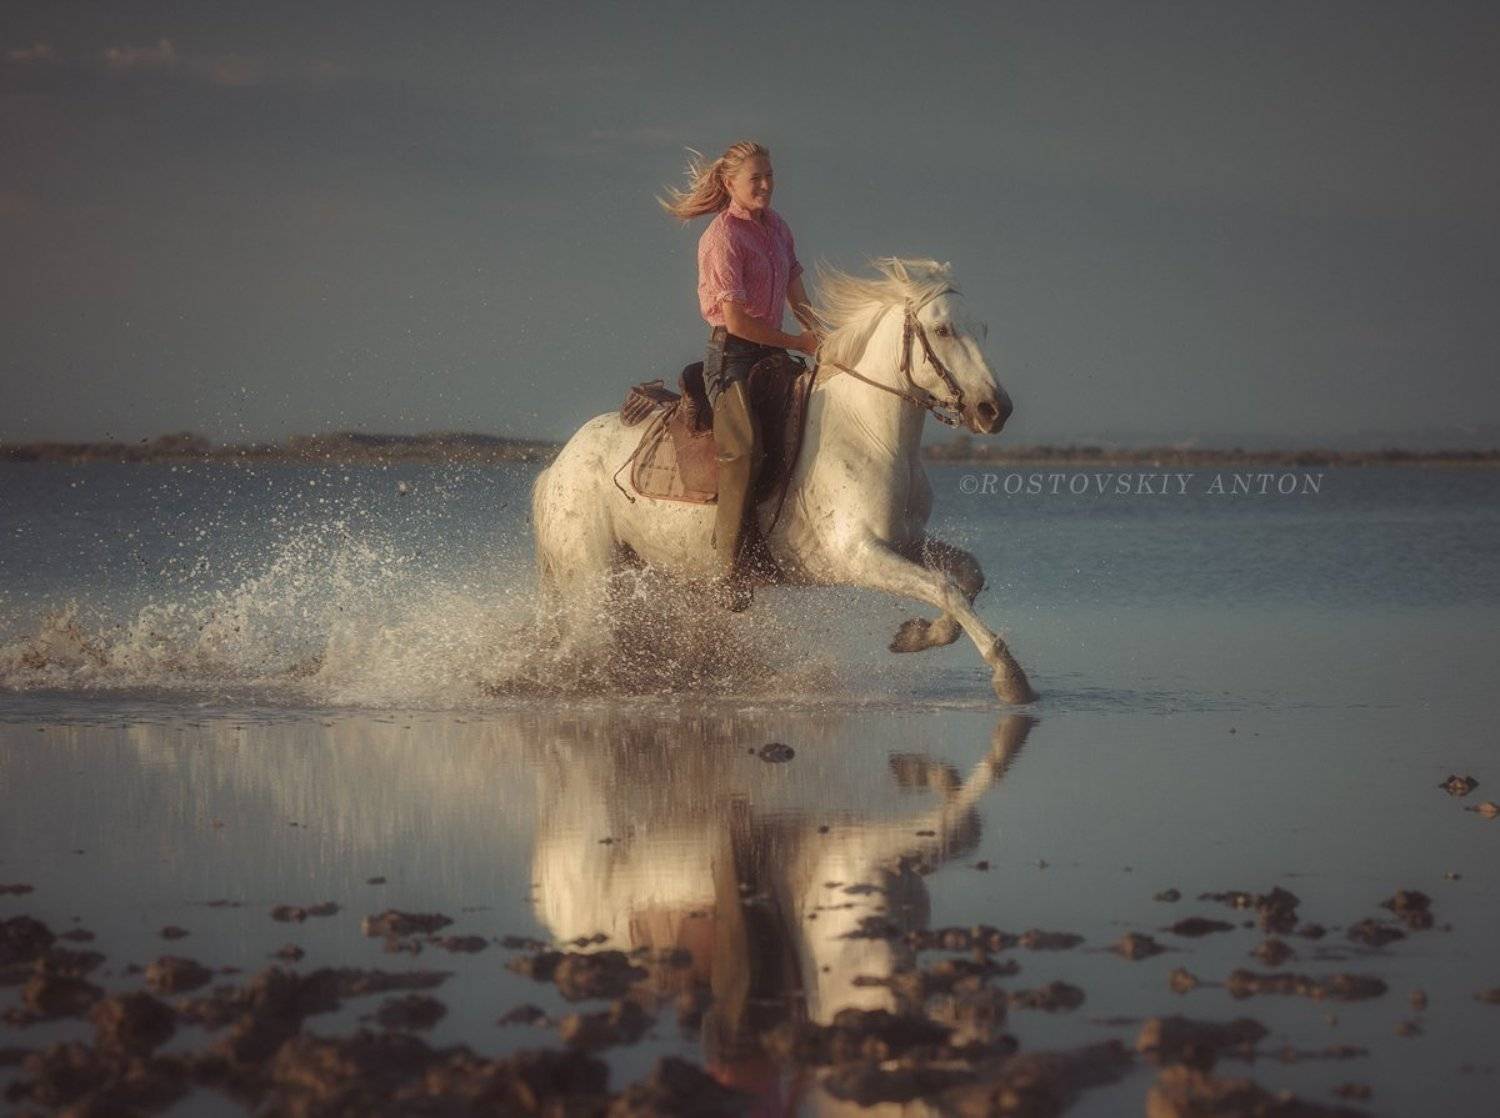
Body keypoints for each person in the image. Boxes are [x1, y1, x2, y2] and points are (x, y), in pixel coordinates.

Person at [660, 141, 819, 610]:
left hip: (773, 353)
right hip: (732, 359)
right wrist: (797, 343)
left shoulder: (778, 228)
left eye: (770, 175)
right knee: (744, 450)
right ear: (731, 184)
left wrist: (821, 332)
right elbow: (737, 323)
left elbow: (796, 292)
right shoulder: (722, 237)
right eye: (757, 178)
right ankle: (727, 570)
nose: (767, 185)